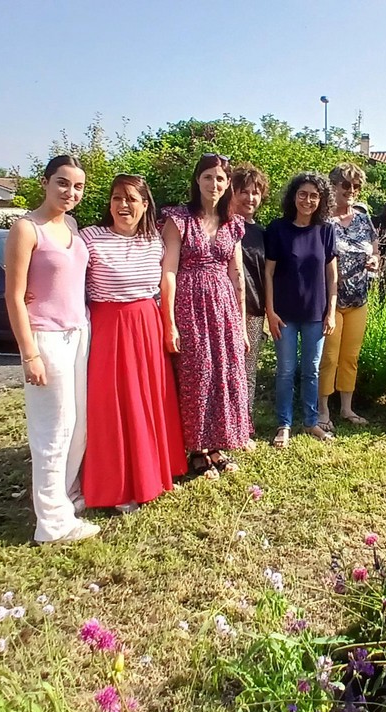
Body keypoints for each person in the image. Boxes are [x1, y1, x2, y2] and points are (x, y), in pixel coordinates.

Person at [3, 155, 98, 543]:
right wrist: (30, 354)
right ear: (45, 182)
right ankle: (52, 525)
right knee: (52, 431)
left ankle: (65, 497)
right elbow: (13, 296)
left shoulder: (71, 225)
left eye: (77, 186)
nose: (70, 192)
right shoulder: (26, 228)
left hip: (79, 333)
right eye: (62, 183)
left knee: (78, 427)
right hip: (46, 337)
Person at [81, 174, 187, 512]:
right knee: (112, 406)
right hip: (108, 328)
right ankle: (118, 485)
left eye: (130, 199)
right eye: (116, 198)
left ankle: (152, 473)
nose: (123, 205)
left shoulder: (154, 240)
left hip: (146, 325)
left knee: (148, 400)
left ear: (144, 205)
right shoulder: (90, 238)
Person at [161, 153, 250, 478]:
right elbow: (168, 271)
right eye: (208, 177)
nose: (214, 184)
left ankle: (216, 445)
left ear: (228, 185)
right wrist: (169, 321)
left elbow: (236, 275)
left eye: (221, 179)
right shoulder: (178, 219)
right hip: (189, 305)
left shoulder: (233, 223)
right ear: (198, 180)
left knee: (223, 374)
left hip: (224, 307)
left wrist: (240, 325)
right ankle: (196, 449)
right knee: (196, 374)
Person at [264, 172, 338, 446]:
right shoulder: (277, 229)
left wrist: (330, 311)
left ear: (322, 200)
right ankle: (283, 425)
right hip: (283, 314)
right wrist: (270, 311)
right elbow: (268, 274)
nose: (308, 200)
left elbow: (332, 275)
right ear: (294, 197)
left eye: (314, 196)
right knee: (285, 370)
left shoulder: (326, 230)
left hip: (315, 314)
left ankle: (310, 422)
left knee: (312, 370)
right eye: (303, 194)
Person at [318, 163, 378, 429]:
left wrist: (375, 259)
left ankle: (346, 408)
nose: (351, 191)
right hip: (329, 300)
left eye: (356, 186)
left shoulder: (363, 218)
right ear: (333, 186)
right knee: (329, 356)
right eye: (346, 185)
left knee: (350, 356)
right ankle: (322, 411)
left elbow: (374, 246)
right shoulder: (322, 220)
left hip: (358, 299)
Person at [230, 165, 270, 430]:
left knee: (247, 370)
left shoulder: (263, 234)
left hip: (253, 311)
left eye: (255, 192)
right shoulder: (222, 227)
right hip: (222, 309)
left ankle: (245, 425)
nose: (250, 198)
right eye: (243, 191)